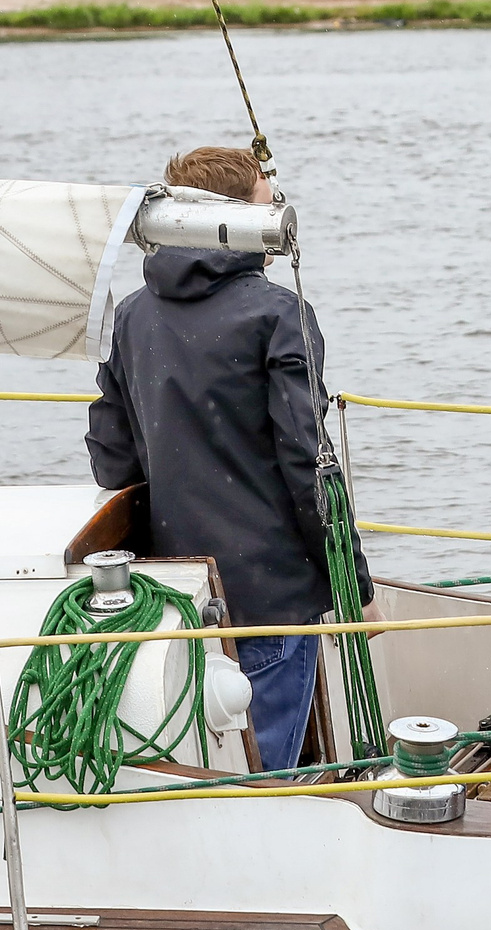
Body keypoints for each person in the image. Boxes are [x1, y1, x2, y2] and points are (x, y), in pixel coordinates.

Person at [85, 146, 371, 772]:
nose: (280, 217)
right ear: (234, 220)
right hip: (270, 594)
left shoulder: (132, 315)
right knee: (267, 775)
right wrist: (354, 587)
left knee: (206, 762)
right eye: (269, 204)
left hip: (178, 593)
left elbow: (112, 461)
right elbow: (308, 464)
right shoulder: (277, 314)